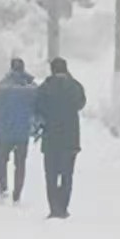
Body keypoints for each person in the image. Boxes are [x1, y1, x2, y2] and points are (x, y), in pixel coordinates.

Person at [35, 57, 86, 219]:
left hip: (51, 138)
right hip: (70, 139)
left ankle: (54, 208)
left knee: (50, 175)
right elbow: (81, 103)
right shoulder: (75, 86)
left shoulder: (45, 87)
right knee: (66, 175)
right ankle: (63, 208)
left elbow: (37, 107)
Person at [0, 57, 39, 205]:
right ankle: (17, 195)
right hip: (22, 132)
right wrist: (36, 128)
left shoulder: (2, 86)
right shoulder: (31, 88)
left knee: (2, 162)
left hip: (5, 131)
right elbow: (37, 109)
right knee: (20, 164)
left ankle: (3, 189)